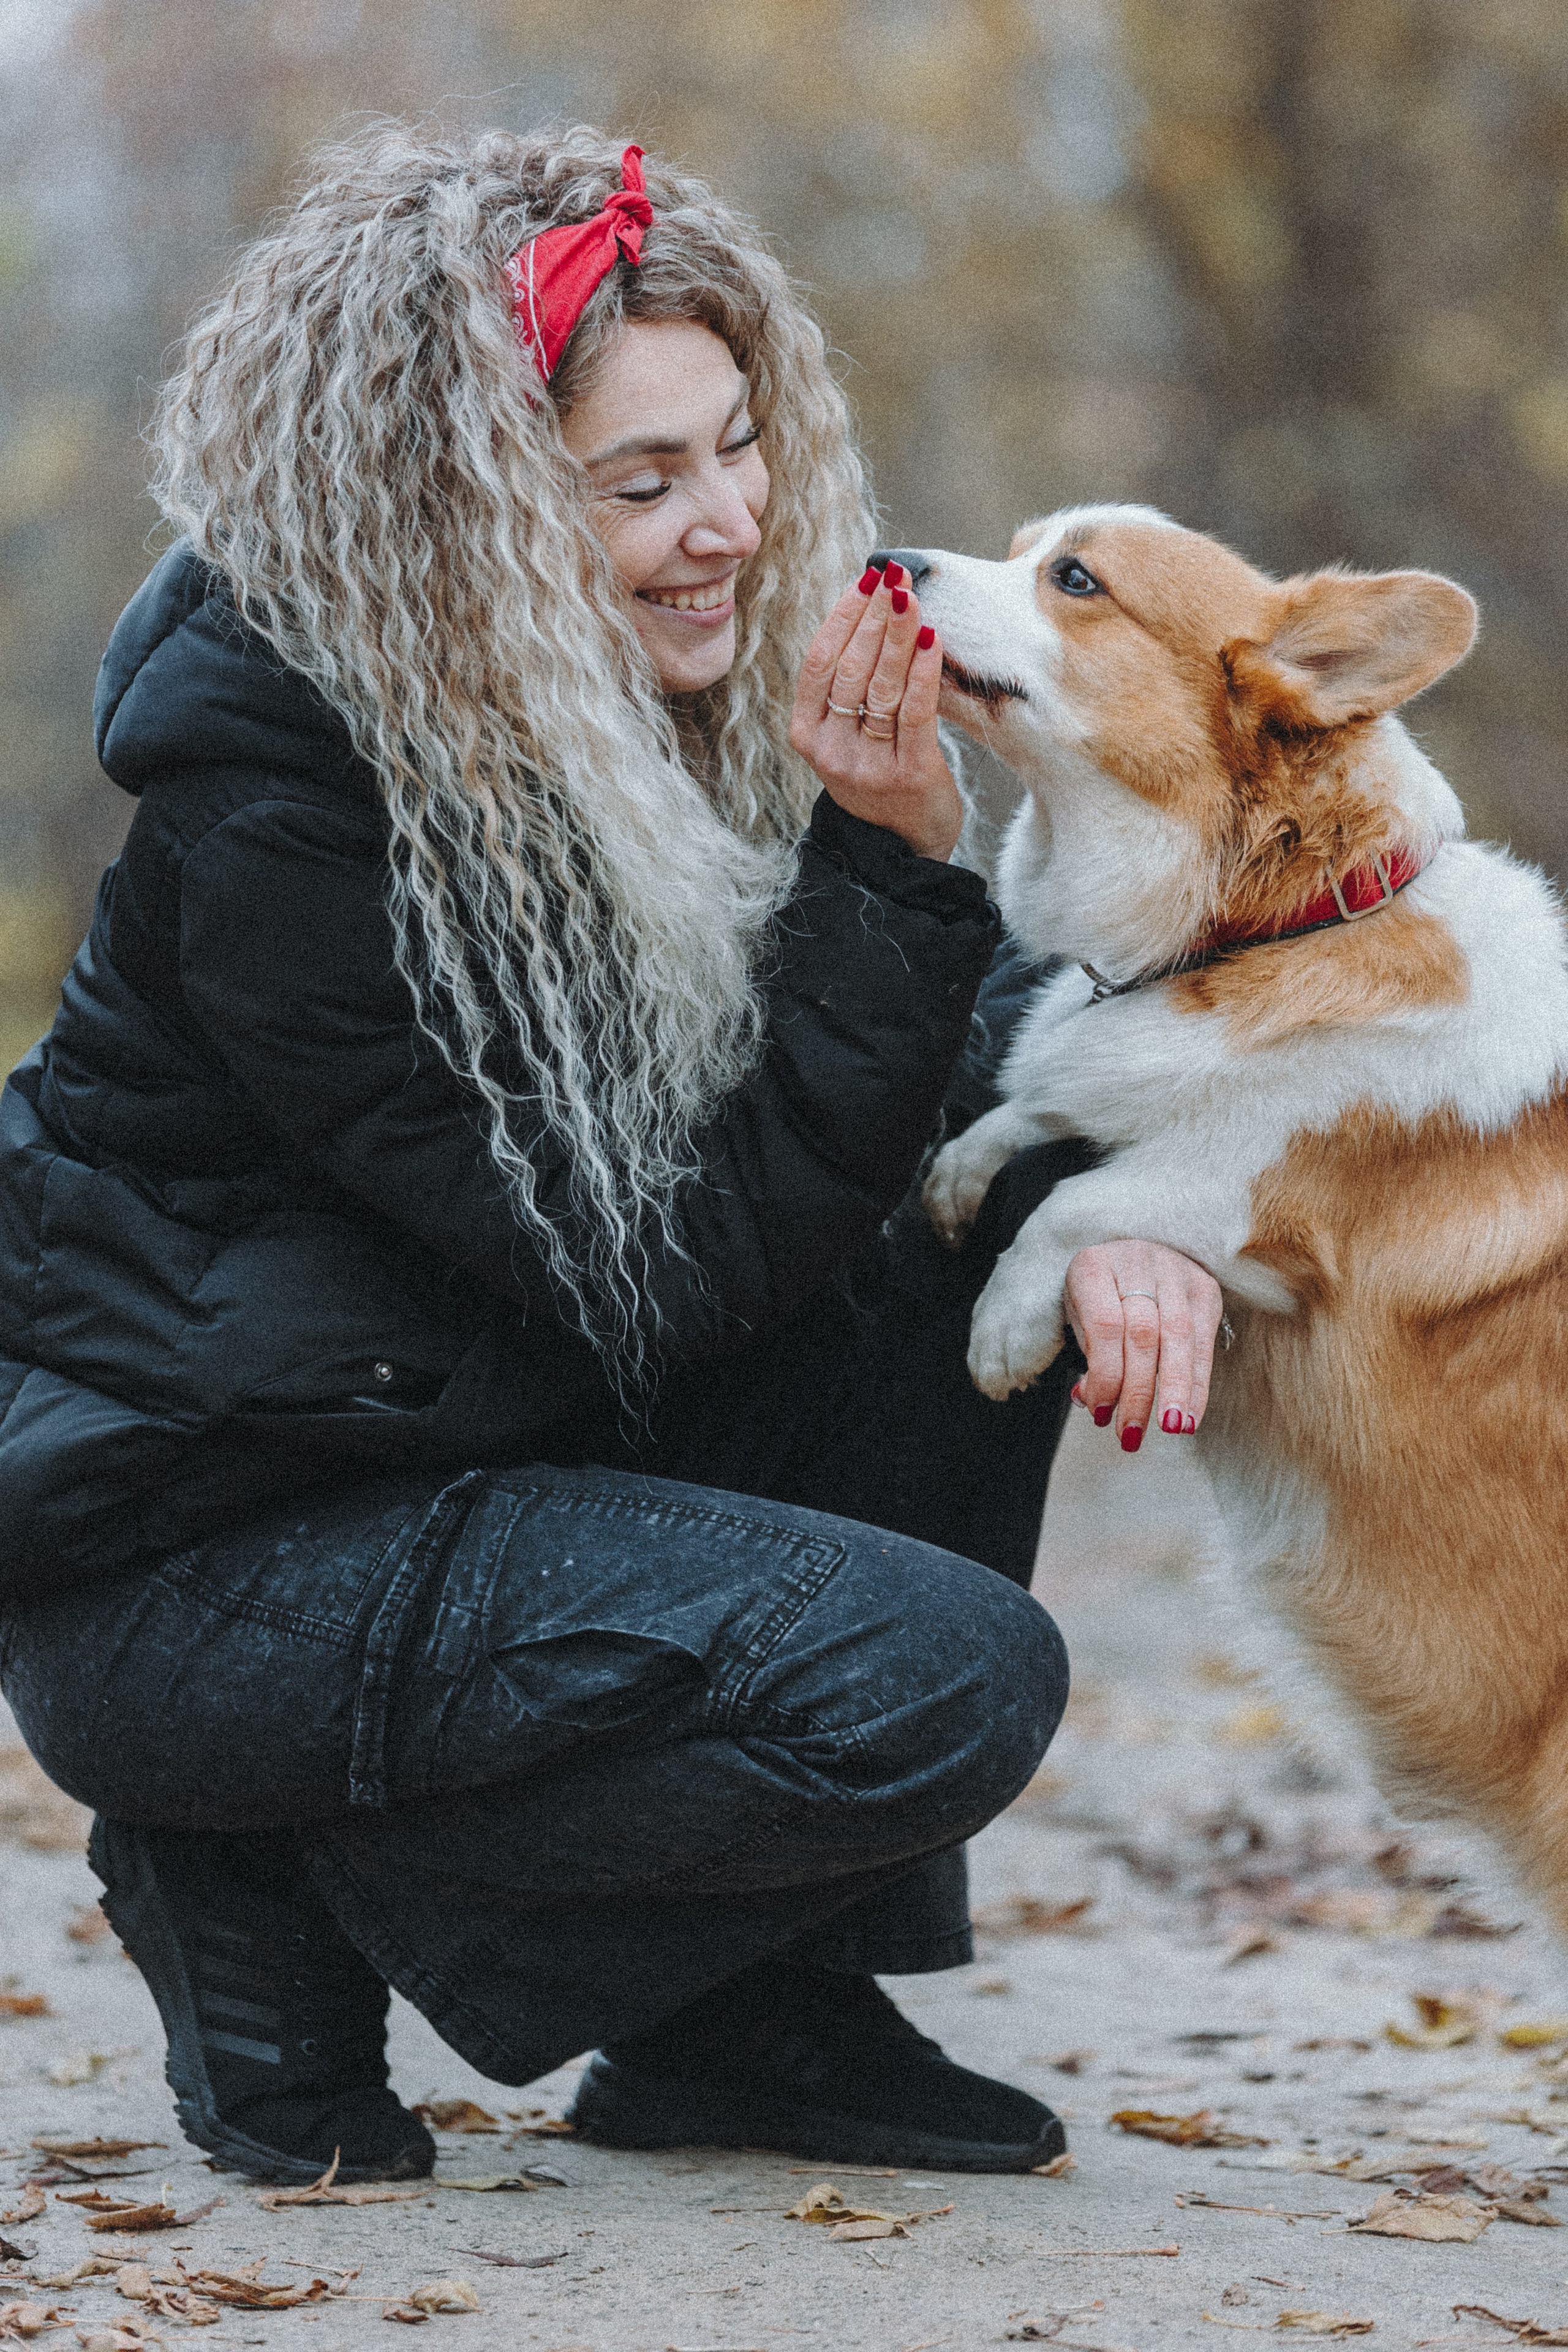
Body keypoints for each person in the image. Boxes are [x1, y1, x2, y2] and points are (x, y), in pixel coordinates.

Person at [0, 127, 1222, 2183]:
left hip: (467, 1440)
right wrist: (888, 878)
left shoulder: (617, 703)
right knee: (938, 1686)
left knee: (979, 1197)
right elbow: (664, 1271)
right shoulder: (282, 826)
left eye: (737, 448)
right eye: (642, 484)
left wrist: (1129, 1205)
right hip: (206, 1569)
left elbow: (908, 1099)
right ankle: (263, 1889)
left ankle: (755, 2026)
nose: (735, 524)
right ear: (452, 524)